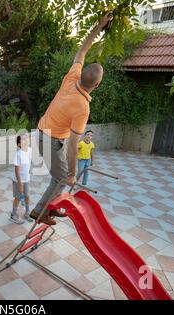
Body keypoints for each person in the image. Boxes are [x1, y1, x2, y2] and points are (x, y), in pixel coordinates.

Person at [30, 12, 113, 225]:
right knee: (63, 177)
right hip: (51, 141)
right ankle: (40, 212)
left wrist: (99, 25)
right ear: (97, 85)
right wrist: (74, 174)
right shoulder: (83, 107)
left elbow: (83, 48)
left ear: (81, 72)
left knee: (59, 177)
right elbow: (73, 146)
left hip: (46, 135)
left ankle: (52, 205)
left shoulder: (71, 77)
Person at [10, 134, 33, 224]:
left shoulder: (30, 150)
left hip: (26, 178)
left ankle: (27, 213)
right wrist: (20, 184)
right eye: (23, 139)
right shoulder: (18, 154)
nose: (26, 140)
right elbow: (17, 171)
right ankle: (13, 215)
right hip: (17, 180)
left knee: (27, 196)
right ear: (19, 144)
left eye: (26, 138)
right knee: (18, 197)